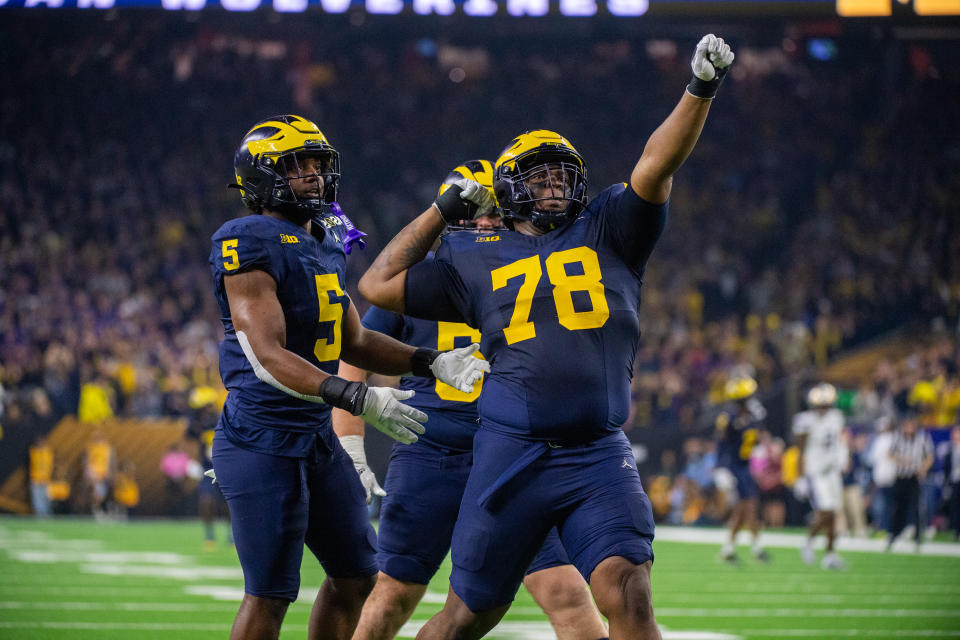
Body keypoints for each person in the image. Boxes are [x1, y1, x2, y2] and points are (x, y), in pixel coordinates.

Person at [358, 35, 735, 640]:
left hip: (596, 451)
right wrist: (439, 212)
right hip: (509, 454)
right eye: (538, 176)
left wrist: (699, 90)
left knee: (628, 591)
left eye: (563, 173)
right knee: (465, 616)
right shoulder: (469, 252)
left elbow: (655, 165)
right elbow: (378, 284)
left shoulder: (610, 227)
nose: (555, 184)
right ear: (507, 189)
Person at [209, 115, 489, 640]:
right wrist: (357, 397)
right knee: (268, 595)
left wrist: (427, 361)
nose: (313, 174)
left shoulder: (328, 234)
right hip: (260, 439)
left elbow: (354, 341)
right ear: (261, 177)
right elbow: (265, 353)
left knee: (358, 576)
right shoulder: (245, 240)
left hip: (314, 438)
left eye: (317, 163)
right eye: (296, 165)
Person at [332, 161, 609, 640]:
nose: (483, 223)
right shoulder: (419, 280)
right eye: (469, 214)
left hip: (513, 458)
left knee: (565, 592)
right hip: (431, 455)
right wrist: (350, 443)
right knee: (393, 595)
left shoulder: (531, 274)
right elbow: (354, 351)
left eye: (493, 213)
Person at [715, 376, 770, 563]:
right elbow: (722, 444)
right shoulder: (728, 418)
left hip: (744, 466)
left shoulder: (753, 415)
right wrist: (721, 469)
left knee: (743, 511)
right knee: (748, 508)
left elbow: (756, 437)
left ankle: (729, 550)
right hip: (732, 467)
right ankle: (756, 549)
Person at [793, 382, 847, 570]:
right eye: (820, 405)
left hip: (832, 471)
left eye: (826, 405)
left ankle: (830, 555)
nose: (823, 409)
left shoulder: (836, 417)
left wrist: (842, 458)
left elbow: (839, 441)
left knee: (833, 515)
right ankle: (808, 542)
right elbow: (800, 451)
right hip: (815, 473)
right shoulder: (805, 421)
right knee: (826, 512)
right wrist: (799, 477)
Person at [885, 411, 934, 552]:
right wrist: (901, 459)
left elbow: (929, 456)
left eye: (910, 425)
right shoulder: (898, 438)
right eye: (906, 425)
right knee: (898, 507)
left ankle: (918, 537)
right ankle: (894, 534)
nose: (908, 428)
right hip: (901, 477)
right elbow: (889, 454)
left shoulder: (922, 438)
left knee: (917, 507)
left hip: (914, 477)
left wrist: (923, 468)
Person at [29, 435, 54, 517]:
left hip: (46, 479)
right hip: (35, 479)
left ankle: (47, 514)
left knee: (46, 498)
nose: (40, 444)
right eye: (39, 442)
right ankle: (39, 515)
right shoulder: (34, 452)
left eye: (42, 442)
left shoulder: (48, 453)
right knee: (37, 499)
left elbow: (50, 465)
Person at [944, 425, 960, 541]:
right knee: (955, 506)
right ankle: (955, 531)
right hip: (954, 481)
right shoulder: (950, 449)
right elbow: (947, 468)